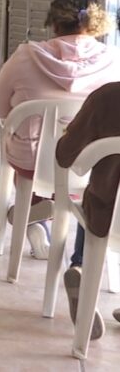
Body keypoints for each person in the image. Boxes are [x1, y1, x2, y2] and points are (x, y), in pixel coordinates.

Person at [0, 0, 120, 259]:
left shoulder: (25, 55)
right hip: (90, 166)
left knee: (27, 146)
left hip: (32, 162)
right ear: (97, 23)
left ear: (54, 22)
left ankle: (37, 212)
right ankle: (54, 214)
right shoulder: (114, 60)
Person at [55, 82, 120, 340]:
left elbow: (65, 155)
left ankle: (81, 267)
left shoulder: (109, 96)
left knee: (94, 195)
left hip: (110, 218)